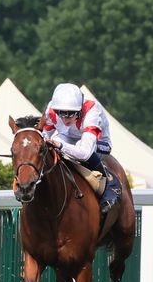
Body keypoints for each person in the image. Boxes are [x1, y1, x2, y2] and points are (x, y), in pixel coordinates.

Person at [41, 83, 122, 214]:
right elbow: (44, 136)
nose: (64, 118)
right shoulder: (51, 108)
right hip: (68, 137)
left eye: (70, 114)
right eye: (60, 113)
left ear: (79, 110)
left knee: (76, 148)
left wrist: (60, 145)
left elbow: (84, 153)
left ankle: (110, 185)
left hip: (99, 143)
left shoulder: (92, 110)